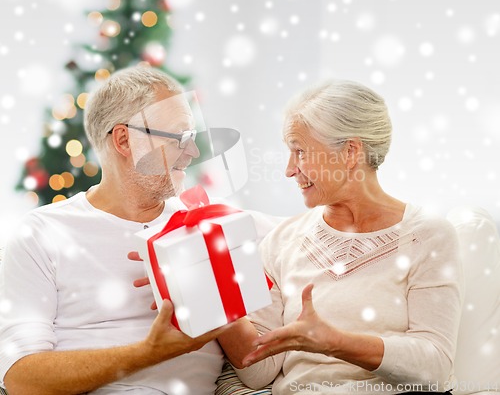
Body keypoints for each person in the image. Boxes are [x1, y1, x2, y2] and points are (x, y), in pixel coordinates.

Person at [0, 65, 279, 395]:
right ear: (124, 140)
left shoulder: (205, 222)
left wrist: (210, 285)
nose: (191, 152)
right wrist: (149, 352)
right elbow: (21, 378)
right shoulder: (41, 233)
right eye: (179, 138)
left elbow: (253, 360)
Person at [218, 80, 464, 395]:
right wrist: (213, 297)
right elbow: (258, 370)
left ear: (350, 152)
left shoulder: (428, 237)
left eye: (299, 151)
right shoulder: (280, 242)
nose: (289, 169)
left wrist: (336, 343)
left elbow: (435, 367)